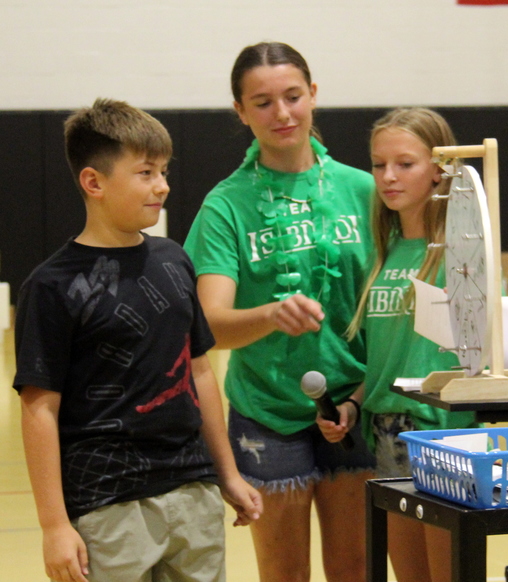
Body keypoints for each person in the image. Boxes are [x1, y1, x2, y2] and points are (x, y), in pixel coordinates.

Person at [14, 98, 263, 582]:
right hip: (108, 506)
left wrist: (227, 473)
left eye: (165, 171)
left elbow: (199, 371)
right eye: (146, 172)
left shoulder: (173, 261)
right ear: (94, 182)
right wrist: (54, 525)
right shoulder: (50, 286)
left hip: (192, 490)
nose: (163, 185)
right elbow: (39, 409)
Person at [183, 42, 376, 582]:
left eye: (293, 96)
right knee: (284, 572)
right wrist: (268, 314)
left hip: (353, 406)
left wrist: (363, 396)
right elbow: (210, 325)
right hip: (267, 415)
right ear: (241, 112)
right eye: (263, 102)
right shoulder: (226, 205)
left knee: (354, 568)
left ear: (313, 96)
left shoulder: (363, 190)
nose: (282, 113)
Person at [318, 107, 478, 582]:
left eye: (404, 164)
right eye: (378, 164)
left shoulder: (463, 253)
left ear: (438, 169)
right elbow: (384, 363)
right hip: (384, 433)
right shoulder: (382, 254)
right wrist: (352, 404)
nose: (387, 177)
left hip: (440, 434)